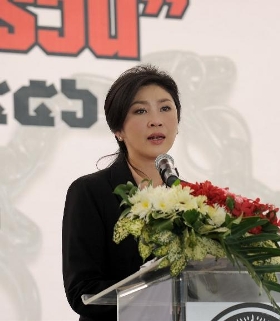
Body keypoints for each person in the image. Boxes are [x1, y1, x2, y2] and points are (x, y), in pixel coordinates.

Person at [62, 64, 182, 321]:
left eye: (165, 108)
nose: (156, 120)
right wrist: (159, 294)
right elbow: (82, 291)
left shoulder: (191, 200)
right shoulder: (90, 192)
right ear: (118, 130)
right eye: (140, 110)